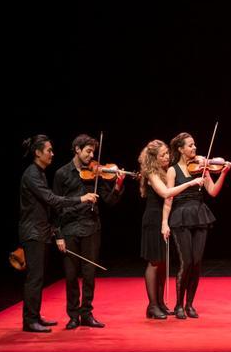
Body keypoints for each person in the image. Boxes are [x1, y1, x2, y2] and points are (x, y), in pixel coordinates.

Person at [18, 135, 97, 332]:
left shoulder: (40, 172)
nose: (52, 154)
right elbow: (52, 200)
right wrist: (81, 199)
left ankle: (34, 316)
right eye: (49, 151)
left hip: (41, 232)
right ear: (38, 153)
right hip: (33, 232)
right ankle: (30, 321)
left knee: (39, 277)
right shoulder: (32, 174)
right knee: (35, 278)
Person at [52, 134, 125, 329]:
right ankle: (73, 315)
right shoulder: (62, 174)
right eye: (88, 151)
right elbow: (55, 206)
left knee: (89, 274)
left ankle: (87, 314)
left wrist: (118, 185)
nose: (91, 155)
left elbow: (109, 201)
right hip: (68, 229)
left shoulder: (95, 172)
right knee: (70, 276)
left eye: (93, 151)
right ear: (77, 149)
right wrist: (57, 234)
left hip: (91, 227)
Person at [161, 132, 231, 319]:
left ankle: (190, 304)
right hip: (180, 217)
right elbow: (168, 198)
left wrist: (223, 173)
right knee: (187, 262)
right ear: (180, 149)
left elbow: (213, 191)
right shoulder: (173, 170)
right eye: (190, 145)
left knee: (197, 263)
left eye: (194, 145)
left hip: (199, 215)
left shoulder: (202, 167)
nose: (194, 148)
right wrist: (164, 223)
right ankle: (178, 305)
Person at [137, 139, 204, 319]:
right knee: (154, 262)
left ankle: (159, 302)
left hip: (165, 219)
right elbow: (166, 193)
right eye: (163, 155)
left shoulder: (167, 170)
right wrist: (189, 183)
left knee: (163, 263)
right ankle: (152, 305)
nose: (167, 157)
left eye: (167, 153)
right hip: (153, 219)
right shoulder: (151, 172)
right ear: (153, 158)